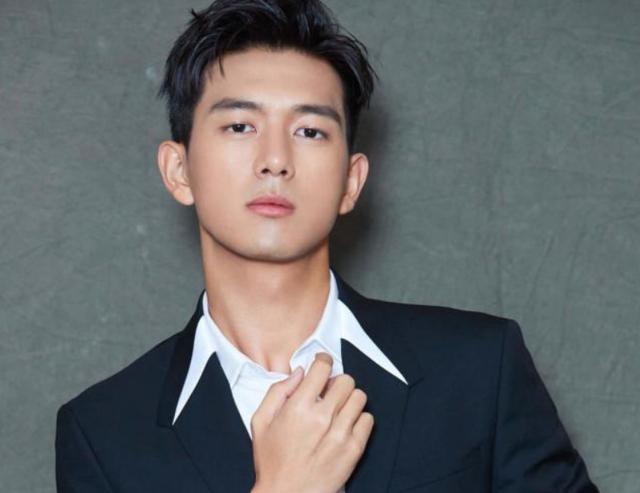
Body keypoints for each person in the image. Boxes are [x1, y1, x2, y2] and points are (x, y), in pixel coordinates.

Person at [55, 0, 600, 491]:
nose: (275, 160)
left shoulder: (479, 370)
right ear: (179, 170)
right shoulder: (103, 433)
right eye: (240, 126)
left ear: (351, 182)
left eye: (310, 131)